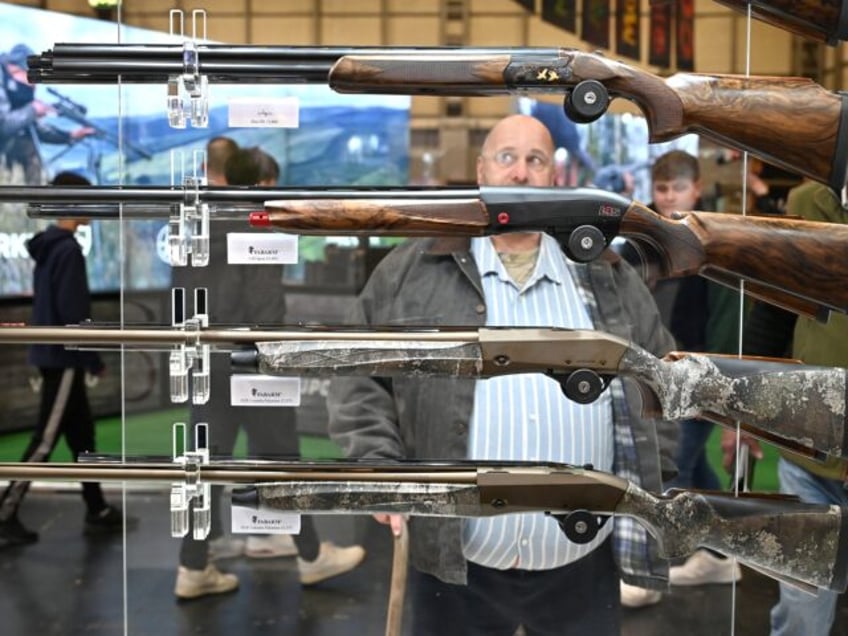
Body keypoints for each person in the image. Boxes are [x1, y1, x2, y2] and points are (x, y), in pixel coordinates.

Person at [328, 114, 678, 635]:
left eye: (535, 160)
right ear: (480, 170)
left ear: (554, 178)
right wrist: (379, 466)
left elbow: (663, 382)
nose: (520, 173)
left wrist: (655, 474)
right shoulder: (414, 267)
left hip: (581, 564)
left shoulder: (605, 274)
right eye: (507, 157)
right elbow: (356, 372)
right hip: (453, 562)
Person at [173, 139, 365, 600]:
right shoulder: (257, 224)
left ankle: (194, 566)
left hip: (206, 356)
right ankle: (312, 555)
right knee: (282, 459)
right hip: (251, 358)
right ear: (261, 183)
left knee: (207, 463)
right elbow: (261, 303)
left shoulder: (195, 220)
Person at [617, 150, 742, 607]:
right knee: (696, 470)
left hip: (697, 376)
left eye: (678, 189)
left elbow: (729, 322)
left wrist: (728, 398)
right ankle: (719, 553)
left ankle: (651, 572)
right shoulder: (640, 243)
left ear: (698, 187)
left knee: (670, 467)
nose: (669, 199)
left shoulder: (717, 243)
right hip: (650, 375)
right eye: (663, 189)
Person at [723, 180, 848, 636]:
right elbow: (773, 314)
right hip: (808, 455)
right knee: (802, 614)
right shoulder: (807, 203)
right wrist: (741, 414)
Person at [0, 171, 130, 547]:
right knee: (45, 439)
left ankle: (97, 508)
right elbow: (73, 313)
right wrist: (89, 359)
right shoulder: (68, 250)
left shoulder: (52, 246)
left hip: (58, 354)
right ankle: (5, 512)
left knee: (82, 437)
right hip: (62, 358)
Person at [0, 44, 94, 184]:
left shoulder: (14, 90)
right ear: (14, 69)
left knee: (29, 149)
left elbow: (35, 129)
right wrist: (33, 110)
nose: (33, 86)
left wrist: (70, 135)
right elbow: (3, 126)